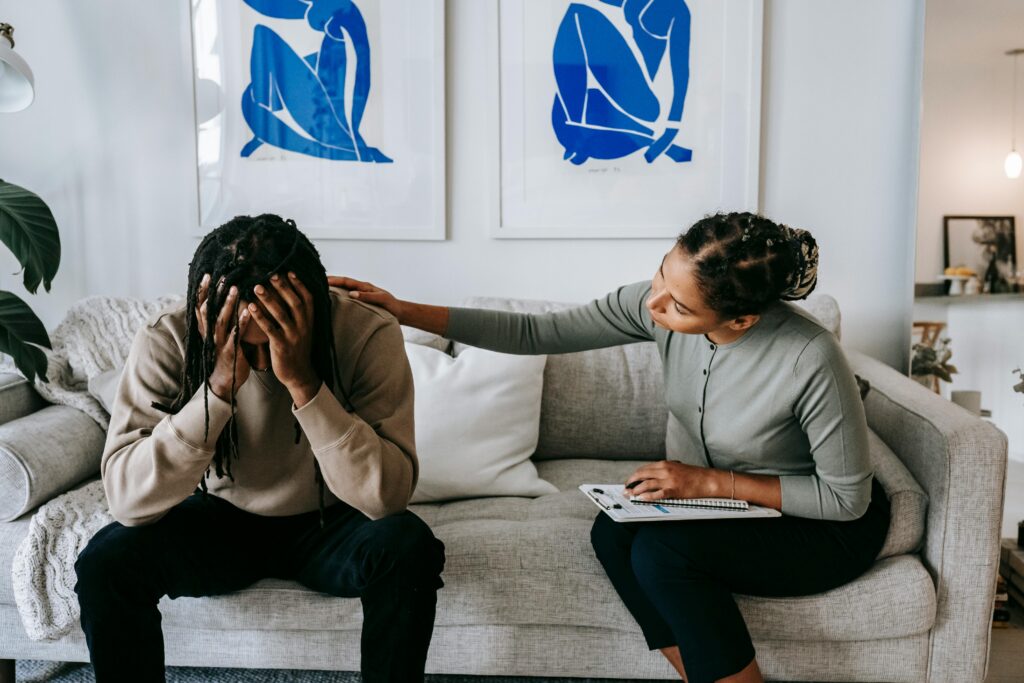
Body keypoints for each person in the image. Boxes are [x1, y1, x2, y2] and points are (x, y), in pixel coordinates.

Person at [328, 211, 891, 683]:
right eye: (660, 277)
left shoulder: (809, 356)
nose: (656, 305)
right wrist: (403, 310)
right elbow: (536, 333)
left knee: (660, 553)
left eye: (680, 307)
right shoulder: (658, 305)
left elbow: (846, 500)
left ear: (741, 318)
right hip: (730, 510)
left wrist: (710, 483)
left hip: (817, 526)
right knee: (613, 531)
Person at [74, 214, 444, 683]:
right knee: (105, 561)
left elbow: (387, 498)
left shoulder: (366, 331)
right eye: (249, 345)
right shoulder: (168, 336)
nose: (264, 362)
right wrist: (219, 388)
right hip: (219, 516)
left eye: (275, 341)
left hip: (333, 518)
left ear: (311, 307)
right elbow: (128, 501)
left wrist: (305, 384)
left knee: (408, 546)